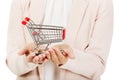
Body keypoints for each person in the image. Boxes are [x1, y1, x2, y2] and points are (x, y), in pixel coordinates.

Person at [6, 0, 113, 80]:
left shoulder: (101, 3)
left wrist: (69, 59)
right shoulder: (21, 2)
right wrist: (26, 60)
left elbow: (98, 65)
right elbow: (12, 62)